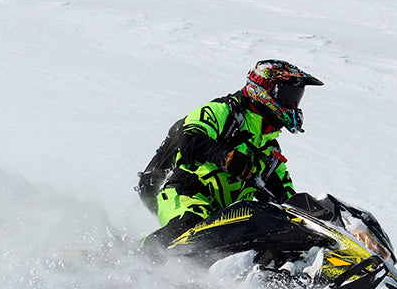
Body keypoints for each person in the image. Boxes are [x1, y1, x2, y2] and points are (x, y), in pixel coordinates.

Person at [138, 59, 323, 253]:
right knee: (193, 223)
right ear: (264, 88)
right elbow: (189, 136)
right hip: (185, 193)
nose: (292, 104)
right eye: (288, 96)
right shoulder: (223, 111)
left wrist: (315, 218)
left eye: (296, 98)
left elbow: (287, 200)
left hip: (225, 218)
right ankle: (134, 258)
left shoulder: (269, 149)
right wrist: (226, 156)